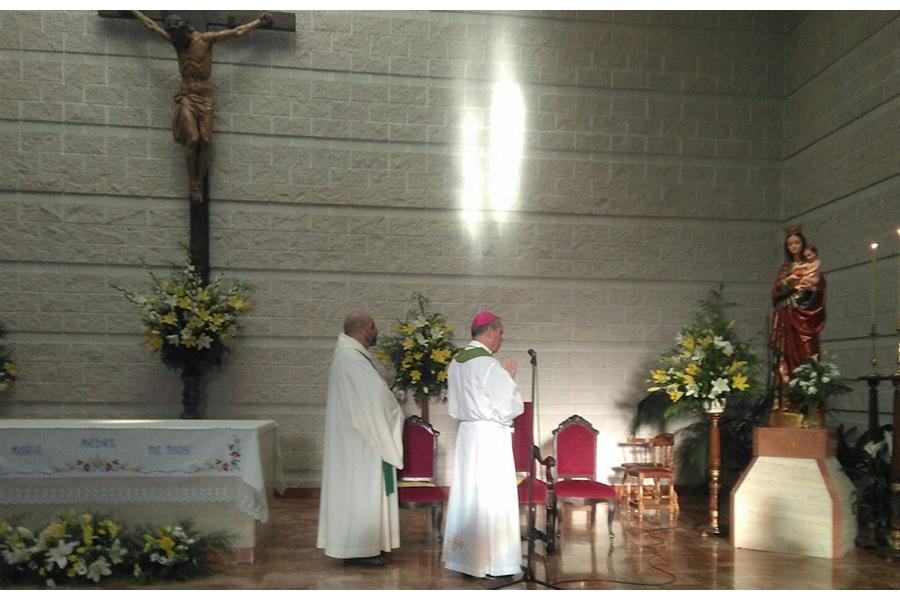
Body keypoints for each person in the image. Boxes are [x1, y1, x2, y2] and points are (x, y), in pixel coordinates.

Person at [131, 11, 273, 203]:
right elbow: (151, 26)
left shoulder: (205, 40)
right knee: (193, 139)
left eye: (176, 35)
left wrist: (258, 22)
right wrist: (132, 10)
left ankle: (198, 179)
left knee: (205, 140)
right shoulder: (176, 43)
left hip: (205, 97)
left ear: (184, 29)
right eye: (171, 36)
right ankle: (193, 183)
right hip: (187, 97)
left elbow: (237, 32)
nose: (173, 39)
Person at [316, 310, 404, 566]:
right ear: (361, 331)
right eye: (373, 327)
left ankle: (365, 546)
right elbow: (376, 398)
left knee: (359, 493)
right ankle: (358, 550)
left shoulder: (352, 357)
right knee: (360, 492)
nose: (377, 331)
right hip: (360, 444)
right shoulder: (351, 360)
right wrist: (394, 405)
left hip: (358, 440)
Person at [443, 311, 524, 579]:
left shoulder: (456, 361)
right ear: (489, 332)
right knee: (493, 497)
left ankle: (466, 559)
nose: (501, 339)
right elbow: (508, 407)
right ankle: (495, 562)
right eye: (500, 333)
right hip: (490, 437)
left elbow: (455, 404)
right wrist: (509, 377)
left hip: (467, 435)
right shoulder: (488, 364)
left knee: (469, 496)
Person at [769, 230, 827, 414]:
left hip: (804, 315)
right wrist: (788, 282)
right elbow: (776, 290)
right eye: (790, 244)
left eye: (797, 243)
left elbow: (819, 287)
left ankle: (809, 402)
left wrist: (810, 288)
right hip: (787, 316)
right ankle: (787, 401)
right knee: (786, 356)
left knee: (807, 354)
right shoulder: (786, 268)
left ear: (803, 244)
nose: (794, 246)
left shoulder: (812, 265)